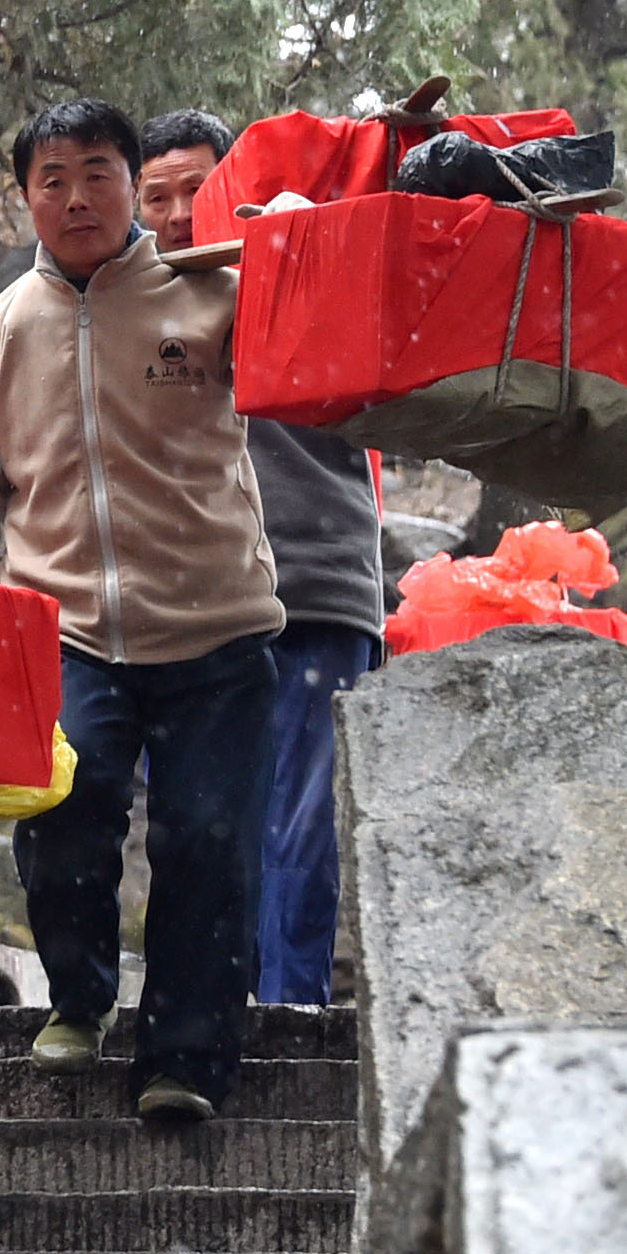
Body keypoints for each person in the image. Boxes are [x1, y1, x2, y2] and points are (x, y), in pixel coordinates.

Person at [0, 99, 282, 1124]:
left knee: (208, 839)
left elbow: (319, 367)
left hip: (219, 626)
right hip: (67, 634)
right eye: (52, 178)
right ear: (24, 195)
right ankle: (79, 994)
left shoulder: (211, 295)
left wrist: (296, 234)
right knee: (66, 817)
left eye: (97, 172)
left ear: (134, 181)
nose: (76, 196)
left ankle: (187, 1056)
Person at [138, 108, 385, 1007]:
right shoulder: (134, 307)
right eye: (153, 197)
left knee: (296, 827)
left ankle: (287, 1014)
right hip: (191, 601)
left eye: (195, 190)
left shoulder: (304, 263)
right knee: (198, 822)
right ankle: (207, 1019)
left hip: (315, 582)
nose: (173, 214)